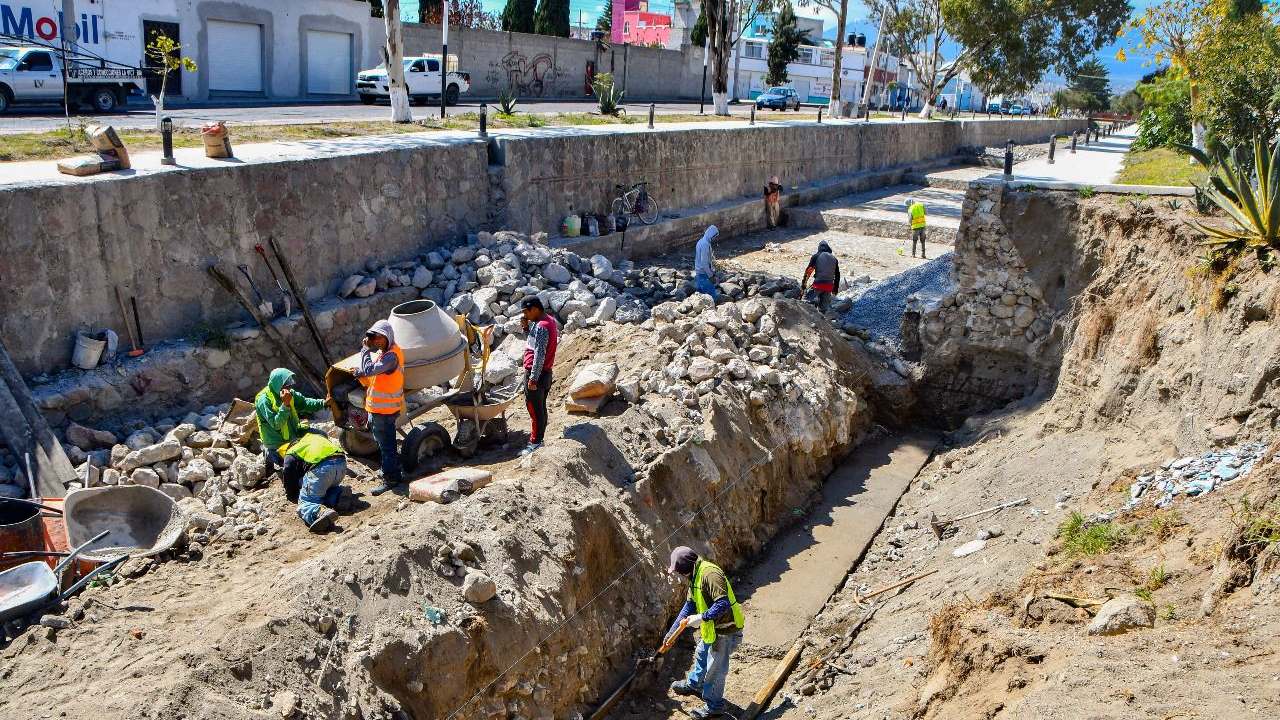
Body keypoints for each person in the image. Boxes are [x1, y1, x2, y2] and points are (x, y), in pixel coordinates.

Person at [664, 546, 745, 719]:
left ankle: (715, 706)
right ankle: (694, 684)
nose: (678, 574)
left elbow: (722, 604)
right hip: (712, 629)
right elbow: (689, 606)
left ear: (685, 568)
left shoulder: (710, 574)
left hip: (726, 629)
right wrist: (671, 633)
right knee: (701, 653)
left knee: (714, 671)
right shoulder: (694, 576)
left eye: (678, 571)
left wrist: (701, 617)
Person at [255, 368, 327, 498]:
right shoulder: (264, 400)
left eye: (289, 383)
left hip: (294, 433)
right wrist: (285, 405)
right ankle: (269, 453)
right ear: (277, 384)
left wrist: (323, 403)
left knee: (322, 436)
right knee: (297, 464)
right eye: (286, 383)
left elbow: (305, 403)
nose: (289, 386)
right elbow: (276, 424)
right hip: (278, 441)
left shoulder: (289, 393)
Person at [353, 320, 404, 496]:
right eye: (375, 338)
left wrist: (365, 351)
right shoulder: (385, 353)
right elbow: (375, 377)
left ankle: (392, 479)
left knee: (387, 446)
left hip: (385, 411)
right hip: (379, 410)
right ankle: (391, 470)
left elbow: (369, 370)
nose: (376, 341)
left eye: (379, 338)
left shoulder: (391, 356)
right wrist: (361, 374)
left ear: (388, 336)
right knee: (385, 444)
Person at [278, 432, 353, 533]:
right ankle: (338, 495)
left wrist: (291, 494)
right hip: (341, 465)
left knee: (306, 502)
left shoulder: (292, 450)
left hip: (322, 469)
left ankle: (319, 513)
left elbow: (288, 469)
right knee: (322, 490)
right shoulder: (312, 438)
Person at [520, 296, 559, 455]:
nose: (525, 316)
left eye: (525, 312)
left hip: (538, 374)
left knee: (535, 410)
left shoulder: (542, 326)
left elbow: (539, 354)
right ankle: (539, 438)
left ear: (534, 309)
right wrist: (526, 328)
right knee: (540, 408)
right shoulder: (546, 321)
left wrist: (533, 378)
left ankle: (535, 442)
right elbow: (533, 342)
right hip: (544, 373)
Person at [801, 241, 840, 312]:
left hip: (818, 285)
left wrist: (804, 285)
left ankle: (806, 320)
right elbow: (837, 275)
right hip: (829, 287)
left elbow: (808, 271)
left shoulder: (816, 256)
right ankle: (822, 320)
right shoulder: (834, 259)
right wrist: (835, 290)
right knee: (823, 309)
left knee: (805, 302)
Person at [694, 225, 719, 301]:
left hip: (699, 274)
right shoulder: (705, 245)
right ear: (712, 235)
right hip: (704, 275)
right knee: (712, 299)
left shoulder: (700, 241)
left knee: (700, 299)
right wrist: (711, 276)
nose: (715, 238)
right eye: (715, 236)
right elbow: (704, 263)